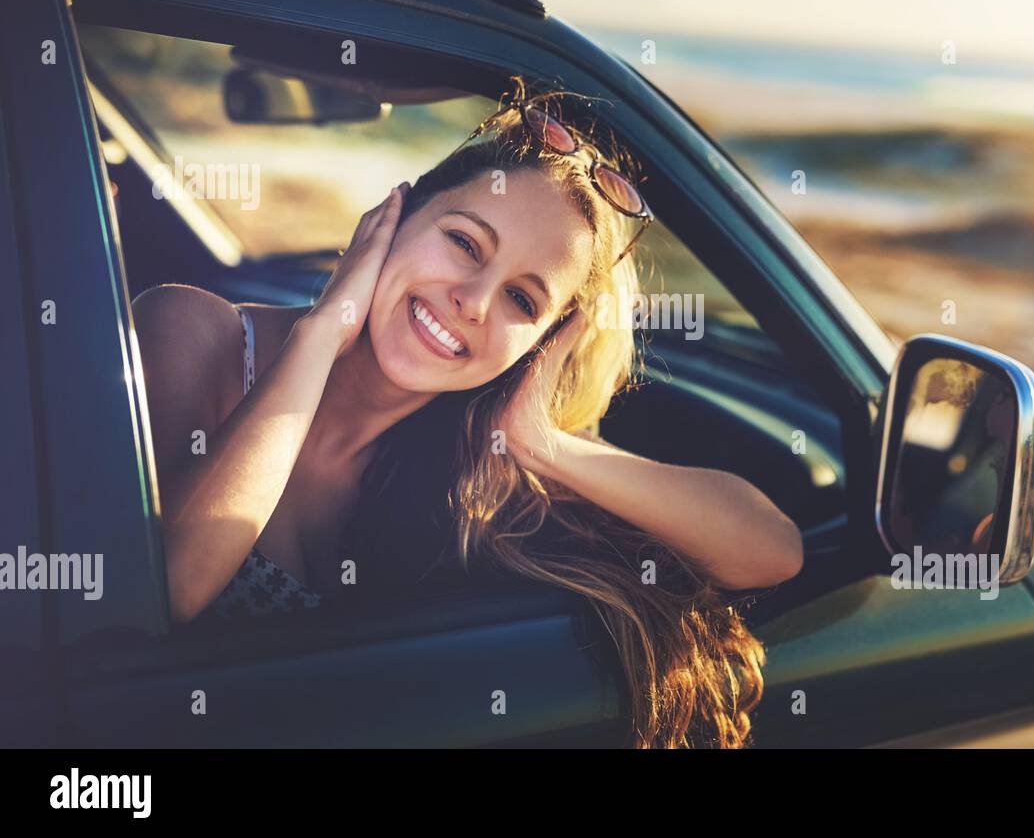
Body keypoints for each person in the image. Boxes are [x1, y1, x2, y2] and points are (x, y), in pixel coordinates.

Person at [132, 77, 802, 748]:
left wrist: (546, 446)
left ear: (538, 346)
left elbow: (769, 550)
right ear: (394, 216)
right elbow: (171, 587)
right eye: (464, 242)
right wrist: (321, 333)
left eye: (522, 301)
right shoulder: (194, 334)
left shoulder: (481, 464)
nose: (476, 301)